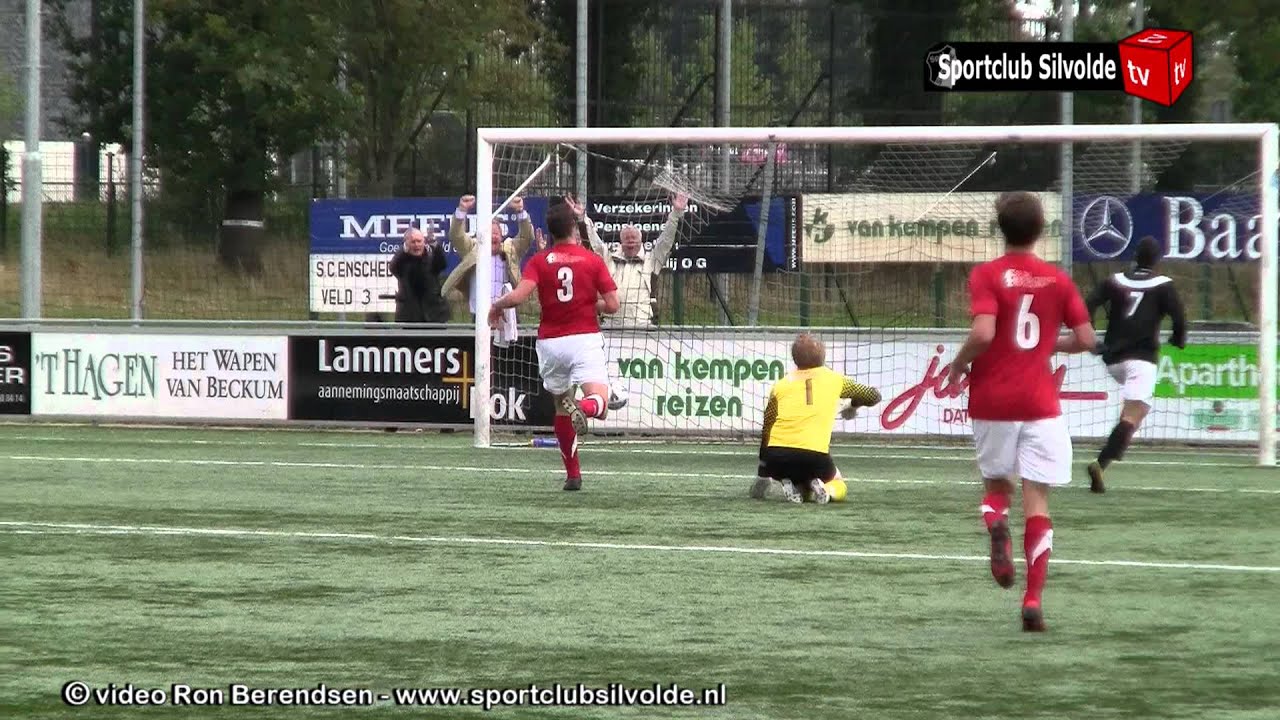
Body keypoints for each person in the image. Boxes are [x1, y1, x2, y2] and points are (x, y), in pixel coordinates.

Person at [945, 191, 1097, 633]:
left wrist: (958, 365)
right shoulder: (1057, 280)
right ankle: (1032, 599)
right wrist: (1053, 343)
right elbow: (1087, 339)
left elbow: (984, 331)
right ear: (1040, 231)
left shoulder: (988, 275)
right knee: (1039, 499)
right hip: (1040, 403)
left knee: (997, 487)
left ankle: (996, 526)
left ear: (1001, 230)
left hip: (993, 400)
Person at [488, 202, 621, 492]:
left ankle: (573, 475)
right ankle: (584, 408)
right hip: (584, 337)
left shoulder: (540, 260)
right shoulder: (592, 260)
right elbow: (613, 305)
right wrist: (590, 303)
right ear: (574, 228)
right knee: (600, 402)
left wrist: (496, 306)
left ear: (548, 231)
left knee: (561, 408)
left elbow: (520, 296)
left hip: (550, 343)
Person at [1084, 235, 1187, 493]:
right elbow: (1179, 318)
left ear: (1135, 258)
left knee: (1132, 411)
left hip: (1113, 360)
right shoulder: (1164, 285)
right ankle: (1101, 463)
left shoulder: (1115, 280)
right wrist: (1178, 339)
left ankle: (1105, 460)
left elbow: (1088, 303)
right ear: (1157, 261)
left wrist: (1089, 333)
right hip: (1141, 359)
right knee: (1134, 415)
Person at [752, 333, 881, 504]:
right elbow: (873, 395)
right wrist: (853, 404)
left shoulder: (780, 385)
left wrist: (764, 465)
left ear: (795, 359)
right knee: (838, 482)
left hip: (776, 456)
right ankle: (826, 489)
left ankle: (789, 481)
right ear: (823, 357)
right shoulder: (835, 380)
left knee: (799, 484)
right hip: (814, 457)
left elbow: (767, 426)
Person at [568, 193, 687, 327]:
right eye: (627, 238)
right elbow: (594, 243)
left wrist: (676, 213)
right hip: (610, 325)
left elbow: (666, 241)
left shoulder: (652, 260)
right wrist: (581, 218)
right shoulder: (608, 259)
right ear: (621, 242)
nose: (630, 241)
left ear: (641, 241)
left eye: (634, 238)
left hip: (642, 325)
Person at [442, 194, 535, 320]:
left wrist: (520, 212)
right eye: (490, 233)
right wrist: (462, 210)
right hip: (480, 316)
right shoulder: (472, 249)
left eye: (496, 233)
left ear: (502, 236)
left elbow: (527, 237)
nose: (493, 237)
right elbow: (456, 235)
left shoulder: (510, 249)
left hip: (507, 313)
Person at [387, 225, 450, 323]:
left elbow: (442, 264)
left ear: (424, 242)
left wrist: (434, 243)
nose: (416, 245)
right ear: (406, 244)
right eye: (413, 242)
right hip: (409, 318)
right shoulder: (402, 263)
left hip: (435, 316)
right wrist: (403, 251)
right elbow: (393, 267)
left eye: (419, 241)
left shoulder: (432, 259)